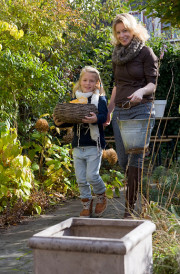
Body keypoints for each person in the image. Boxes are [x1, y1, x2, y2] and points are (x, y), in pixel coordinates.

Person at [104, 13, 158, 218]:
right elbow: (117, 85)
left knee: (136, 158)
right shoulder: (117, 56)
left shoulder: (146, 53)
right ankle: (141, 195)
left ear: (133, 29)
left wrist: (141, 92)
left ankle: (129, 210)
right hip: (120, 111)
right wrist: (109, 110)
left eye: (125, 30)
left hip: (142, 109)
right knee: (124, 160)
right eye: (118, 32)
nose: (122, 35)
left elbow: (152, 83)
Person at [53, 66, 108, 218]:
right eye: (85, 80)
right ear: (80, 81)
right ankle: (86, 204)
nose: (88, 83)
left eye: (92, 81)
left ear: (97, 83)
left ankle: (101, 197)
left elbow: (104, 116)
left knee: (92, 176)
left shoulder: (100, 99)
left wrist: (96, 118)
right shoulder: (75, 100)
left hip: (93, 144)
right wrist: (59, 123)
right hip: (78, 145)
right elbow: (71, 120)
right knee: (81, 179)